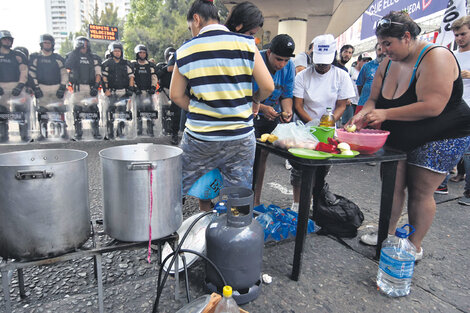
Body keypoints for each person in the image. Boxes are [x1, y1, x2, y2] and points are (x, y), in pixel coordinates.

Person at [348, 11, 470, 260]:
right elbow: (372, 99)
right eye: (380, 44)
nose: (383, 50)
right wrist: (362, 116)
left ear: (406, 37)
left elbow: (432, 106)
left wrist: (383, 113)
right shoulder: (387, 62)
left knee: (420, 190)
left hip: (443, 133)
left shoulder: (435, 57)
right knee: (392, 185)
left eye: (387, 44)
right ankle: (387, 233)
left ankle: (414, 245)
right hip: (400, 128)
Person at [169, 0, 274, 211]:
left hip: (201, 138)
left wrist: (201, 110)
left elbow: (176, 95)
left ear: (196, 19)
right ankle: (234, 235)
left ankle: (169, 233)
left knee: (175, 185)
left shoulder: (186, 50)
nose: (192, 32)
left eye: (191, 27)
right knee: (238, 194)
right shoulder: (246, 43)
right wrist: (254, 101)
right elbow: (267, 86)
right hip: (240, 138)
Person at [291, 34, 355, 210]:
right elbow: (298, 105)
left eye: (325, 63)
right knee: (300, 167)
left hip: (328, 129)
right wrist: (313, 123)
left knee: (321, 169)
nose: (321, 66)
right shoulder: (303, 76)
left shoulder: (341, 76)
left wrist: (330, 120)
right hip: (306, 127)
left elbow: (342, 104)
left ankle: (313, 201)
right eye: (318, 62)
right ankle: (297, 203)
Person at [250, 34, 295, 206]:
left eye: (285, 60)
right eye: (278, 59)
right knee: (249, 157)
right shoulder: (256, 60)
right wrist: (261, 108)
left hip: (271, 116)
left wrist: (287, 111)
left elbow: (287, 95)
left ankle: (255, 200)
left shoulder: (289, 67)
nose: (281, 64)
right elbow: (241, 94)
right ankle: (243, 200)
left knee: (262, 156)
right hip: (250, 115)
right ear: (269, 52)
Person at [29, 34, 68, 140]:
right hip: (42, 87)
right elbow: (31, 74)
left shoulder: (58, 58)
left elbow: (64, 74)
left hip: (56, 87)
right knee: (42, 111)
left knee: (60, 110)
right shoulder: (35, 58)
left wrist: (62, 87)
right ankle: (43, 133)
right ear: (41, 44)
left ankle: (63, 132)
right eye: (45, 42)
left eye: (49, 43)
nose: (47, 45)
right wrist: (36, 87)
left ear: (52, 44)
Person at [448, 16, 470, 205]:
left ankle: (469, 192)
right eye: (456, 35)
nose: (459, 38)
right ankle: (440, 183)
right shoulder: (451, 55)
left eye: (463, 34)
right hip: (453, 109)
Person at [65, 36, 102, 140]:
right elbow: (67, 65)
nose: (83, 47)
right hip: (78, 88)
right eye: (81, 44)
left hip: (91, 87)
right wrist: (75, 52)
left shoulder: (94, 57)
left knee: (94, 109)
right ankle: (78, 131)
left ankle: (96, 131)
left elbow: (98, 72)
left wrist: (96, 86)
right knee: (77, 109)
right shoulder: (73, 56)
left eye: (85, 44)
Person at [101, 41, 135, 139]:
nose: (117, 53)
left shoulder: (126, 63)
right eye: (115, 51)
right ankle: (110, 132)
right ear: (111, 52)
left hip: (123, 92)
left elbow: (131, 77)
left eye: (119, 51)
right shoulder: (107, 64)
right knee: (109, 113)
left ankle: (120, 131)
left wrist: (130, 88)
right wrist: (106, 90)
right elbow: (104, 78)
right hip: (111, 92)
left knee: (122, 113)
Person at [0, 30, 29, 142]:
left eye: (9, 39)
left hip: (16, 86)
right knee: (2, 110)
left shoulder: (18, 55)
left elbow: (24, 71)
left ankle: (24, 133)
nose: (7, 41)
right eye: (5, 39)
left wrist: (20, 85)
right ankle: (3, 134)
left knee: (21, 109)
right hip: (1, 87)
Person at [156, 46, 180, 144]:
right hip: (164, 91)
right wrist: (166, 68)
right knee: (163, 111)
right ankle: (162, 129)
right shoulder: (161, 65)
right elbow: (156, 75)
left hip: (176, 91)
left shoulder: (178, 66)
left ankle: (175, 133)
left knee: (176, 113)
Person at [132, 44, 158, 137]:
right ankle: (139, 130)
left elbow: (154, 77)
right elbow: (132, 77)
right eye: (140, 53)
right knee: (138, 111)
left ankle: (150, 129)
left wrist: (153, 87)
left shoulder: (150, 65)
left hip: (148, 91)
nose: (142, 54)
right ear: (137, 54)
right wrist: (135, 88)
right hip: (138, 92)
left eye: (144, 53)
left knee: (149, 111)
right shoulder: (133, 65)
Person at [341, 52, 372, 125]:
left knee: (357, 123)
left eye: (368, 61)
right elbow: (344, 84)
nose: (366, 63)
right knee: (347, 123)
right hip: (350, 102)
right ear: (358, 61)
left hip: (360, 102)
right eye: (364, 61)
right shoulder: (350, 71)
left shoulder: (368, 72)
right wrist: (347, 98)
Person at [355, 43, 386, 115]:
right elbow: (360, 85)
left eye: (384, 49)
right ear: (375, 51)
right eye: (379, 49)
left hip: (382, 108)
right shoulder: (367, 66)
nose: (382, 52)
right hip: (364, 104)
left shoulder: (394, 66)